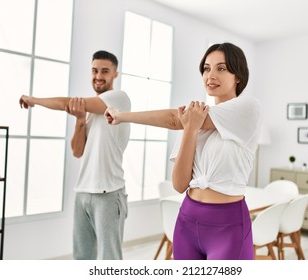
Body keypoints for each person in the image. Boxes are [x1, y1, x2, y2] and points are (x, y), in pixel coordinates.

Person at [105, 42, 261, 260]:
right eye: (206, 68)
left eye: (221, 68)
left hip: (228, 225)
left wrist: (122, 116)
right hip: (187, 220)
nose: (211, 75)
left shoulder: (248, 108)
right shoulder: (192, 119)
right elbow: (179, 184)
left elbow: (172, 119)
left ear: (238, 77)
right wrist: (190, 130)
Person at [19, 50, 131, 260]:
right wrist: (80, 119)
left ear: (115, 74)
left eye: (105, 71)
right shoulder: (88, 108)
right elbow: (77, 151)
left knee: (110, 259)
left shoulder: (119, 99)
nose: (98, 76)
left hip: (108, 193)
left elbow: (65, 103)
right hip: (82, 192)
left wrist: (33, 100)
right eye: (94, 70)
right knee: (82, 257)